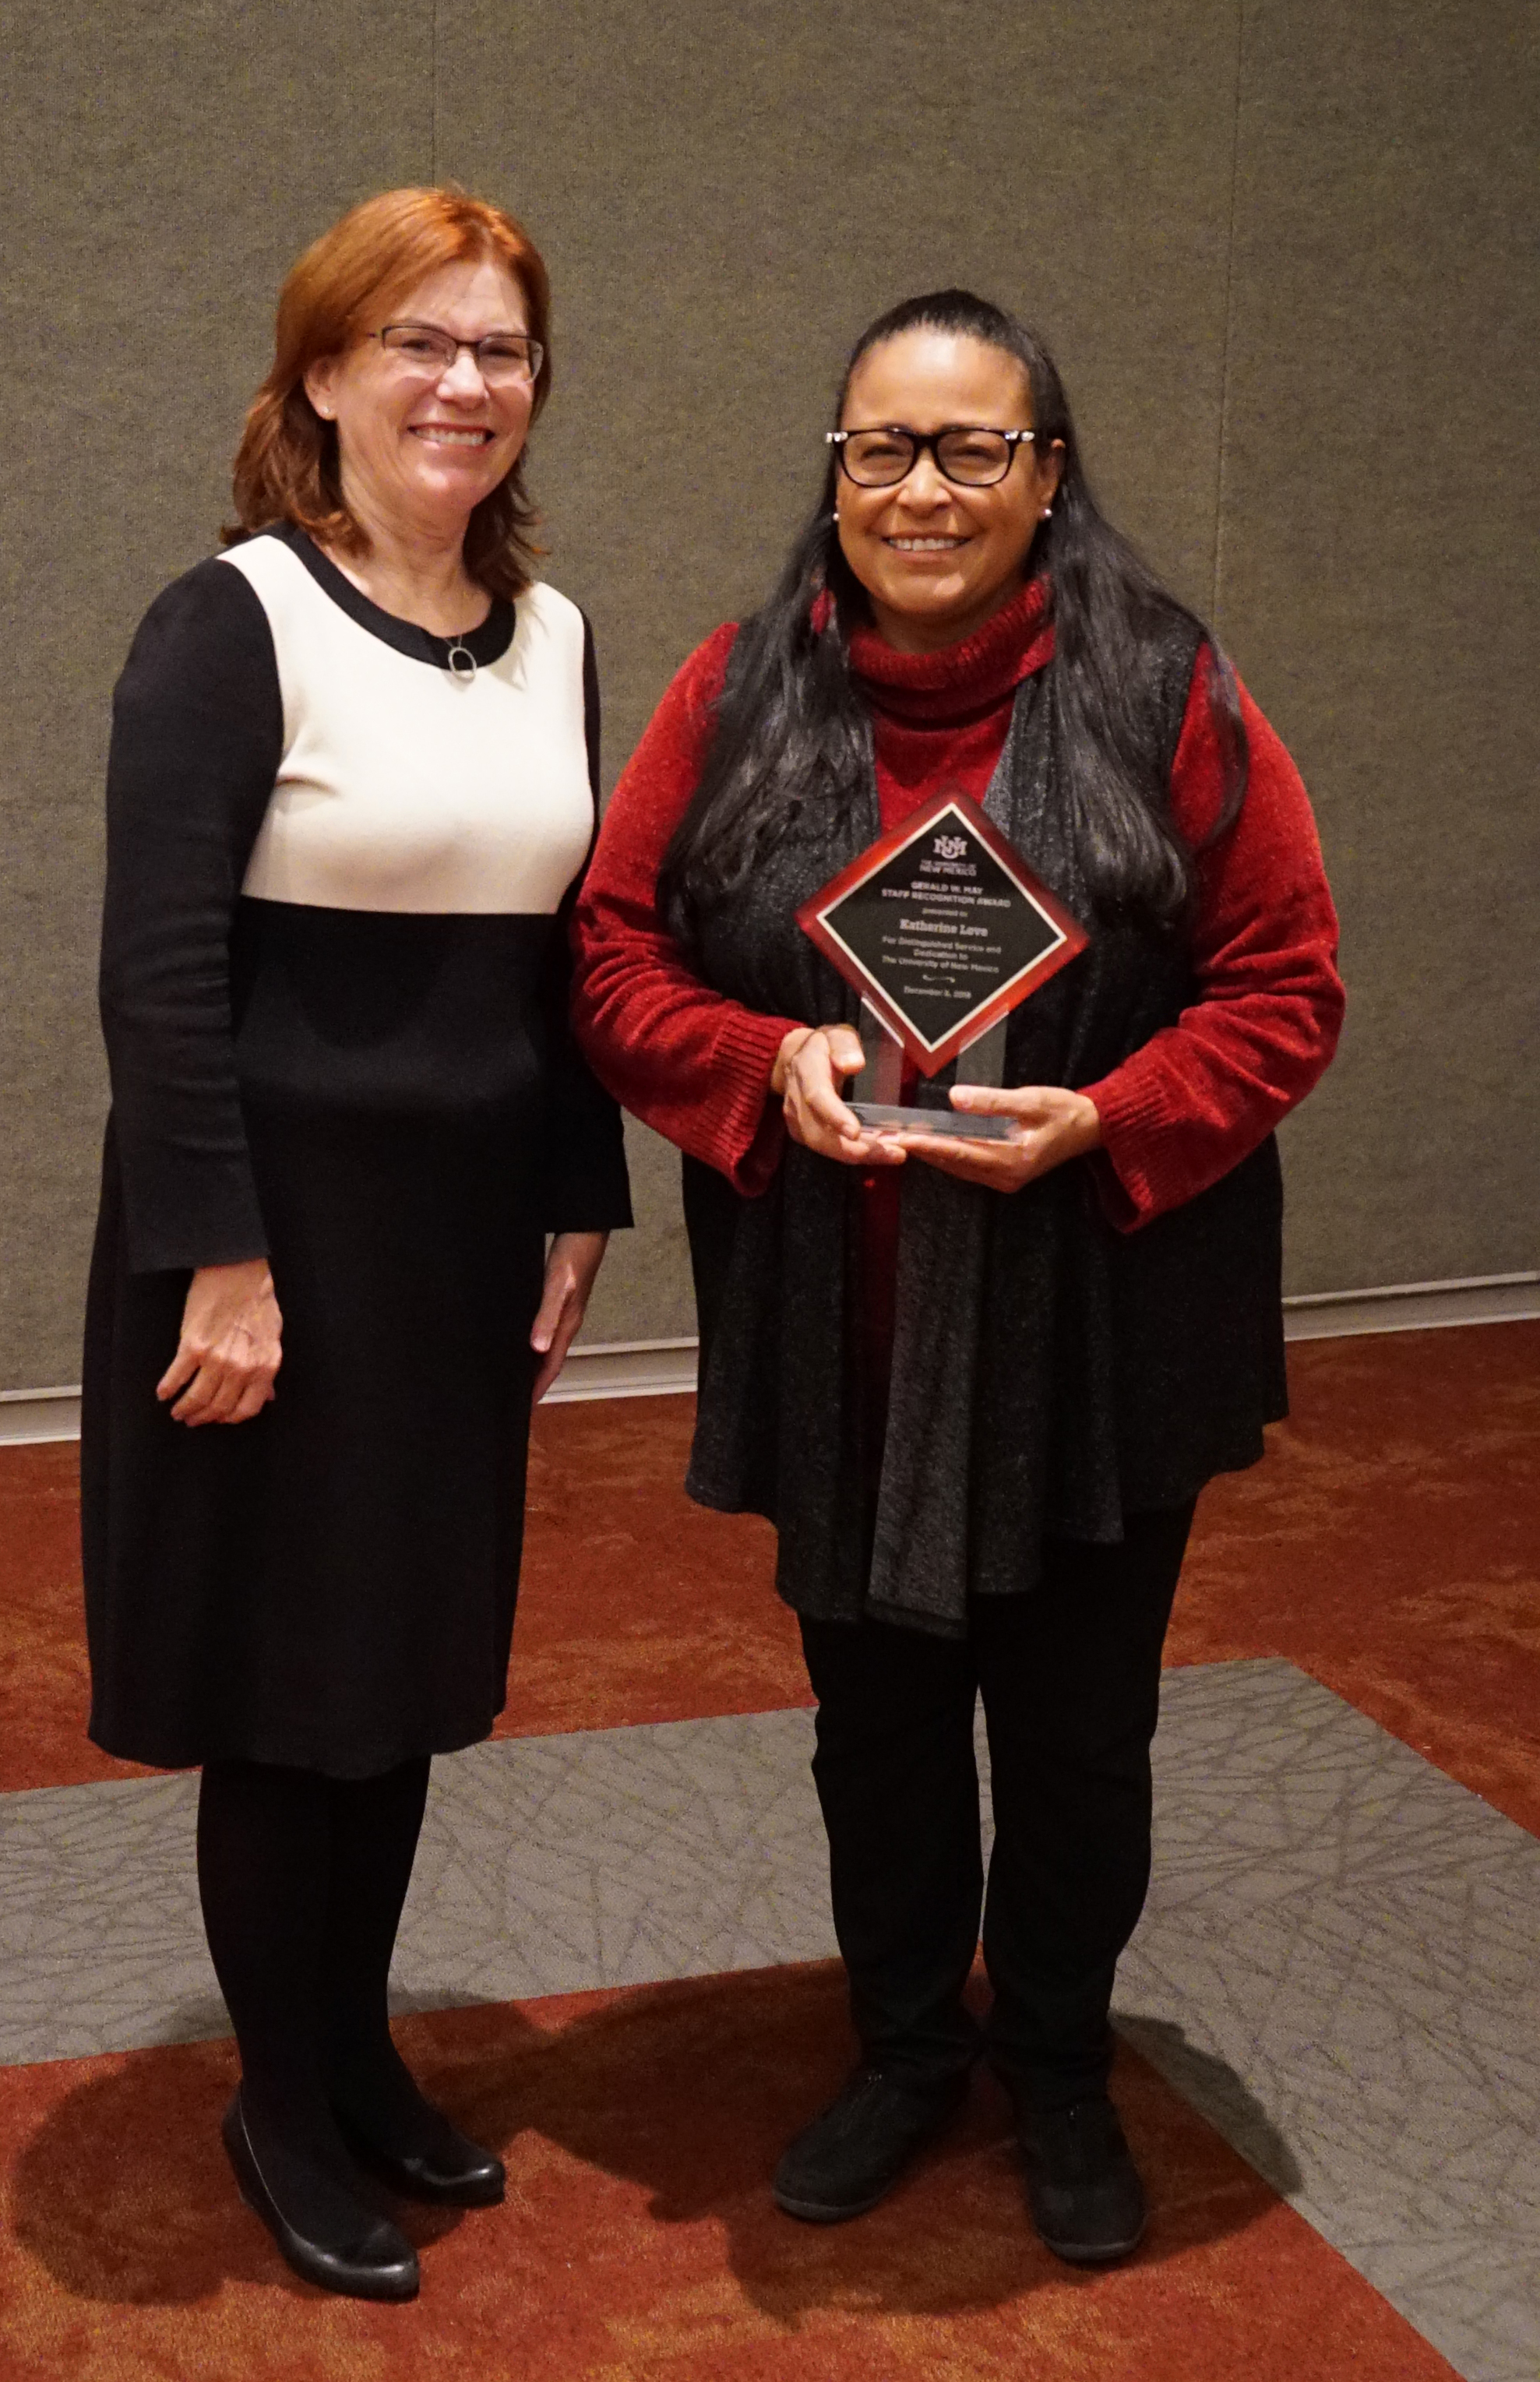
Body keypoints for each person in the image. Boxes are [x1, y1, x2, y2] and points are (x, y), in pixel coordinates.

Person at [572, 289, 1343, 2264]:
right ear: (833, 470)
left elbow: (1285, 985)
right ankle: (909, 2044)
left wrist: (1114, 1112)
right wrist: (759, 1055)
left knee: (1079, 1737)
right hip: (839, 1324)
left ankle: (1061, 2063)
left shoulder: (1165, 689)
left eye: (970, 448)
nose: (921, 489)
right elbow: (610, 953)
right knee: (879, 1728)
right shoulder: (739, 689)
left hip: (1097, 1326)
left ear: (1046, 472)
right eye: (880, 448)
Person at [82, 186, 630, 2303]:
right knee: (282, 1677)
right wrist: (220, 1258)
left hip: (460, 1244)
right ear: (322, 372)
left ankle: (357, 2047)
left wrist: (578, 1192)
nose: (463, 383)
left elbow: (570, 957)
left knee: (397, 1667)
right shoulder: (233, 622)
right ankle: (280, 2100)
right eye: (419, 341)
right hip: (274, 1243)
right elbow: (158, 976)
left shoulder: (555, 634)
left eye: (500, 349)